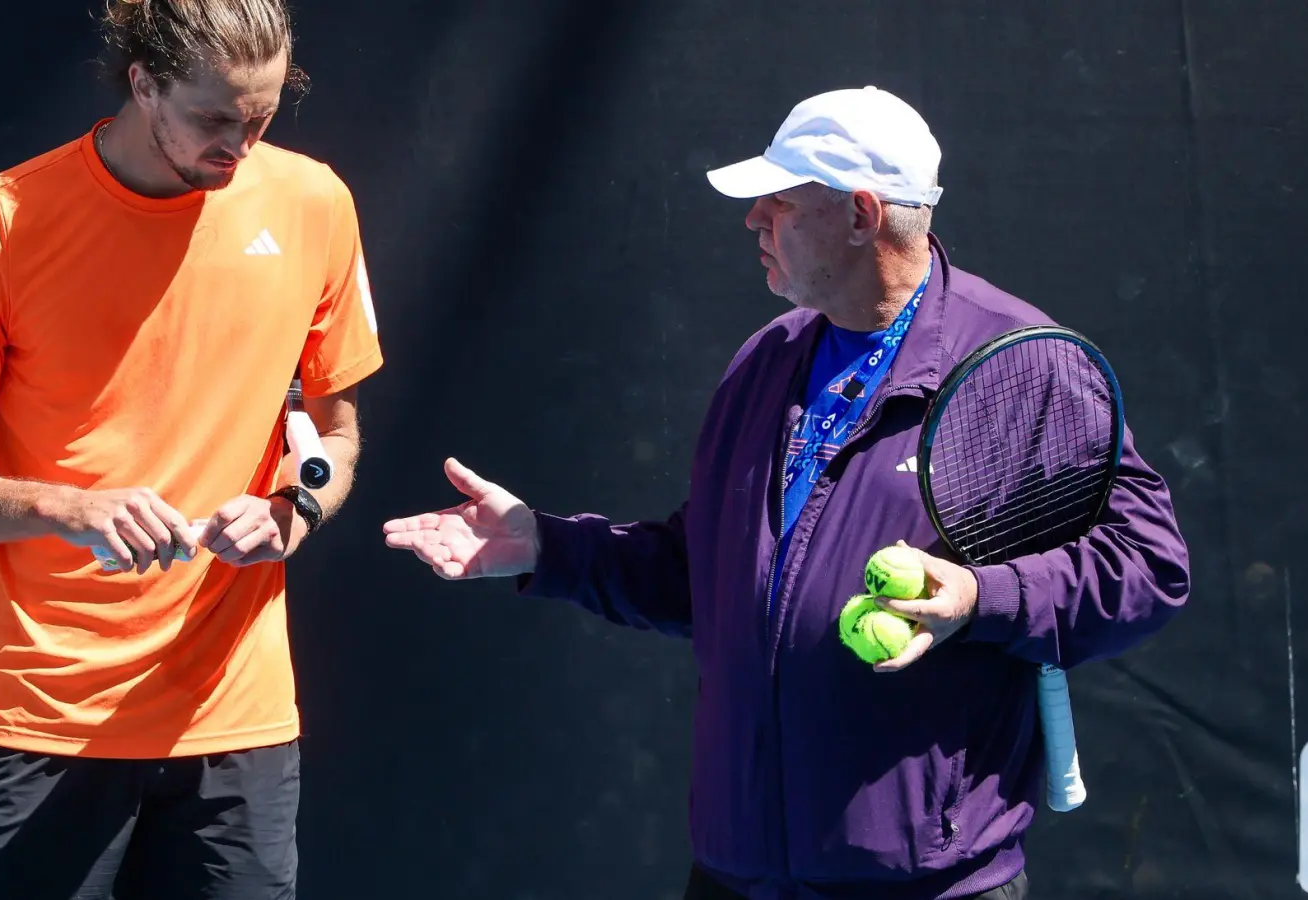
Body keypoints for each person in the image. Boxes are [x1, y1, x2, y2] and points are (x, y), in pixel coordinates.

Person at [383, 86, 1190, 899]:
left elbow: (1149, 568)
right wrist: (548, 546)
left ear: (861, 215)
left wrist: (982, 596)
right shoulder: (767, 360)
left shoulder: (1026, 367)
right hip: (738, 875)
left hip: (928, 884)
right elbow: (710, 579)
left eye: (780, 202)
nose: (752, 220)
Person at [0, 1, 383, 897]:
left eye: (262, 117)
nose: (239, 146)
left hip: (236, 728)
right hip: (42, 722)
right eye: (214, 120)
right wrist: (65, 506)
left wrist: (294, 509)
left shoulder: (316, 205)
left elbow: (334, 439)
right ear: (142, 83)